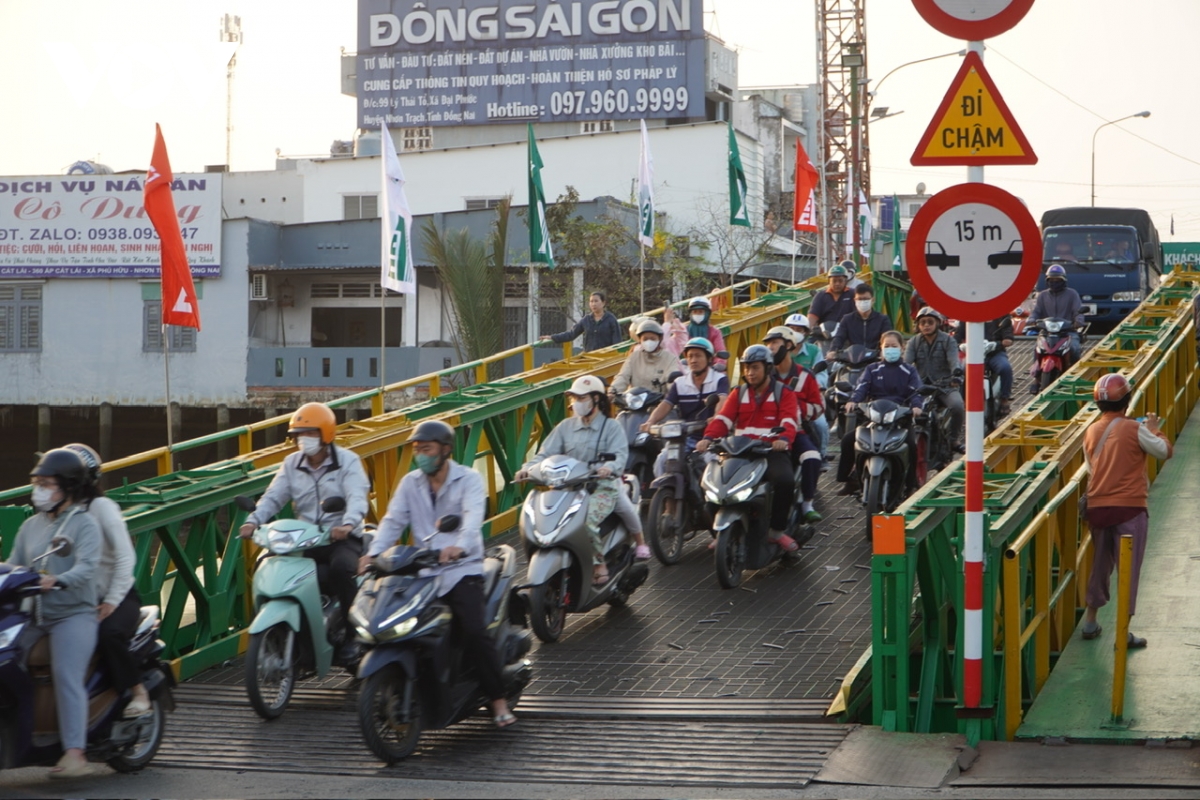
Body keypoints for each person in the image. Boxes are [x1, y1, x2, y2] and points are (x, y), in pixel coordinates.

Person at [359, 421, 516, 728]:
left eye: (427, 449)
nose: (421, 455)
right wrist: (373, 553)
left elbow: (472, 517)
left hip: (461, 568)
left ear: (445, 450)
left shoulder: (468, 479)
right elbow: (393, 521)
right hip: (423, 570)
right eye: (417, 450)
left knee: (473, 630)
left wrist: (459, 546)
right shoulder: (410, 483)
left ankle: (498, 699)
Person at [239, 402, 371, 662]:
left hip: (340, 538)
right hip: (305, 539)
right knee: (267, 565)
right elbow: (273, 497)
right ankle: (276, 631)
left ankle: (353, 636)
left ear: (326, 434)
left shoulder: (348, 461)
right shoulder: (291, 463)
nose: (304, 440)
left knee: (341, 569)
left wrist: (347, 524)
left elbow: (357, 496)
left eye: (310, 433)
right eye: (299, 435)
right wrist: (253, 521)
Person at [7, 449, 102, 778]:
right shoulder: (30, 526)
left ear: (68, 487)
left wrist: (59, 580)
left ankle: (76, 752)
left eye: (46, 484)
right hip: (34, 615)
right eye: (37, 483)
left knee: (66, 673)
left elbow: (88, 567)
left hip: (73, 614)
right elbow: (15, 563)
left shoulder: (85, 524)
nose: (39, 490)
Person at [516, 375, 650, 584]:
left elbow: (620, 455)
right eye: (574, 398)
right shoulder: (565, 427)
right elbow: (545, 453)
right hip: (566, 487)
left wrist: (609, 468)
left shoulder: (611, 427)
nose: (576, 402)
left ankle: (600, 563)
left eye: (581, 398)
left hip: (602, 486)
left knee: (586, 522)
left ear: (596, 399)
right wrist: (527, 469)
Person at [1079, 374, 1173, 648]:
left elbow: (1091, 469)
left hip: (1098, 507)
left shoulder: (1091, 431)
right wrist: (1155, 429)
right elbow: (1164, 451)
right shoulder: (1134, 428)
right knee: (1128, 569)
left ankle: (1090, 621)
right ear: (1127, 400)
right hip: (1130, 508)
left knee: (1100, 564)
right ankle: (1123, 632)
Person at [62, 443, 151, 720]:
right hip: (75, 598)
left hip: (116, 596)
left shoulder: (101, 508)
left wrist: (112, 600)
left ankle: (138, 691)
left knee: (108, 634)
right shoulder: (54, 512)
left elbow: (126, 557)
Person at [696, 345, 802, 552]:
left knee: (785, 481)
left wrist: (782, 439)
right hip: (740, 452)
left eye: (755, 368)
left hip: (771, 452)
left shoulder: (784, 392)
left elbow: (790, 421)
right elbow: (723, 419)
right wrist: (708, 438)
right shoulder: (738, 393)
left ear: (767, 368)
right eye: (746, 368)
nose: (750, 373)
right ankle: (721, 531)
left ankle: (777, 531)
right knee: (710, 483)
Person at [836, 331, 924, 495]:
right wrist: (853, 401)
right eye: (887, 346)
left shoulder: (909, 370)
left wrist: (916, 406)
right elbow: (861, 387)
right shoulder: (872, 369)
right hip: (874, 417)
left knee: (911, 446)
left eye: (894, 346)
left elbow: (916, 392)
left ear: (902, 348)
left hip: (900, 418)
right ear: (881, 348)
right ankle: (850, 479)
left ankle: (910, 486)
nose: (890, 349)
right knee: (848, 440)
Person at [640, 337, 729, 477]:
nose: (693, 360)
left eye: (698, 356)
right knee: (662, 460)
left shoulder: (720, 379)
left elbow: (722, 400)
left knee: (711, 463)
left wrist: (716, 417)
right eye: (690, 356)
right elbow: (666, 404)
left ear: (709, 358)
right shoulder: (680, 383)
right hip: (686, 436)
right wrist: (650, 422)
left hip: (713, 437)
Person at [762, 327, 824, 523]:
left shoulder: (806, 376)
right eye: (768, 344)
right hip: (766, 432)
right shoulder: (764, 375)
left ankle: (807, 503)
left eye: (774, 343)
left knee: (812, 457)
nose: (770, 348)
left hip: (796, 431)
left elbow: (818, 407)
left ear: (789, 345)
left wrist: (796, 407)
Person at [906, 307, 964, 452]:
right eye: (923, 322)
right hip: (921, 387)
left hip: (945, 386)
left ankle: (954, 439)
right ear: (918, 325)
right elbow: (906, 364)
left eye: (930, 322)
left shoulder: (948, 340)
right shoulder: (913, 342)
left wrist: (956, 375)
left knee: (957, 406)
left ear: (938, 323)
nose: (926, 325)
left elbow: (953, 360)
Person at [1029, 264, 1084, 392]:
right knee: (1037, 349)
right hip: (1047, 332)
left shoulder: (1072, 294)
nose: (1054, 282)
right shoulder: (1042, 296)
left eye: (1057, 280)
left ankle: (1075, 374)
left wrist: (1078, 321)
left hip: (1067, 332)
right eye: (1051, 280)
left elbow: (1078, 311)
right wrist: (1032, 320)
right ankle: (1036, 378)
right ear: (1047, 281)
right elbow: (1036, 311)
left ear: (1064, 280)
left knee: (1075, 348)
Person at [784, 313, 831, 458]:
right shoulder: (781, 351)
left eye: (799, 330)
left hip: (807, 397)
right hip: (783, 397)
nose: (795, 332)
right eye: (791, 329)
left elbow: (821, 374)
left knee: (820, 425)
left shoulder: (814, 350)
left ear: (806, 332)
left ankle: (822, 455)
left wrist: (816, 386)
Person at [954, 313, 1015, 417]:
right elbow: (958, 335)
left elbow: (1007, 333)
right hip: (973, 355)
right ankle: (963, 400)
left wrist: (1007, 339)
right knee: (961, 370)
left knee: (1005, 368)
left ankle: (1004, 399)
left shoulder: (1000, 313)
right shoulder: (968, 315)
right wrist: (954, 343)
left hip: (995, 353)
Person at [610, 318, 677, 394]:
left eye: (653, 339)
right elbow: (623, 376)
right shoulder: (634, 357)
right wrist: (613, 391)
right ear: (640, 340)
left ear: (659, 339)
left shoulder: (670, 359)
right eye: (645, 339)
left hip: (661, 400)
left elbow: (672, 382)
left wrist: (671, 394)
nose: (649, 341)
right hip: (635, 399)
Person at [540, 290, 622, 352]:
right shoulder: (587, 319)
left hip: (606, 358)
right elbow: (571, 334)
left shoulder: (611, 319)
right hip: (590, 357)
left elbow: (617, 341)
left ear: (603, 303)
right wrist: (552, 337)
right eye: (591, 301)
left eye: (596, 301)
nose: (593, 304)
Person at [830, 283, 890, 353]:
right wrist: (833, 350)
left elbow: (888, 338)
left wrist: (883, 352)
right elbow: (839, 337)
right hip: (853, 356)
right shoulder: (847, 319)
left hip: (875, 356)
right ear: (855, 300)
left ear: (873, 300)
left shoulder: (882, 319)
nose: (862, 301)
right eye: (859, 299)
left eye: (865, 299)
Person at [807, 264, 855, 340]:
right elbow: (812, 316)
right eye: (834, 281)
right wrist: (807, 329)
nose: (837, 284)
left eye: (840, 281)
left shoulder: (853, 294)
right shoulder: (821, 296)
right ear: (829, 281)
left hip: (846, 335)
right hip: (824, 335)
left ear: (846, 281)